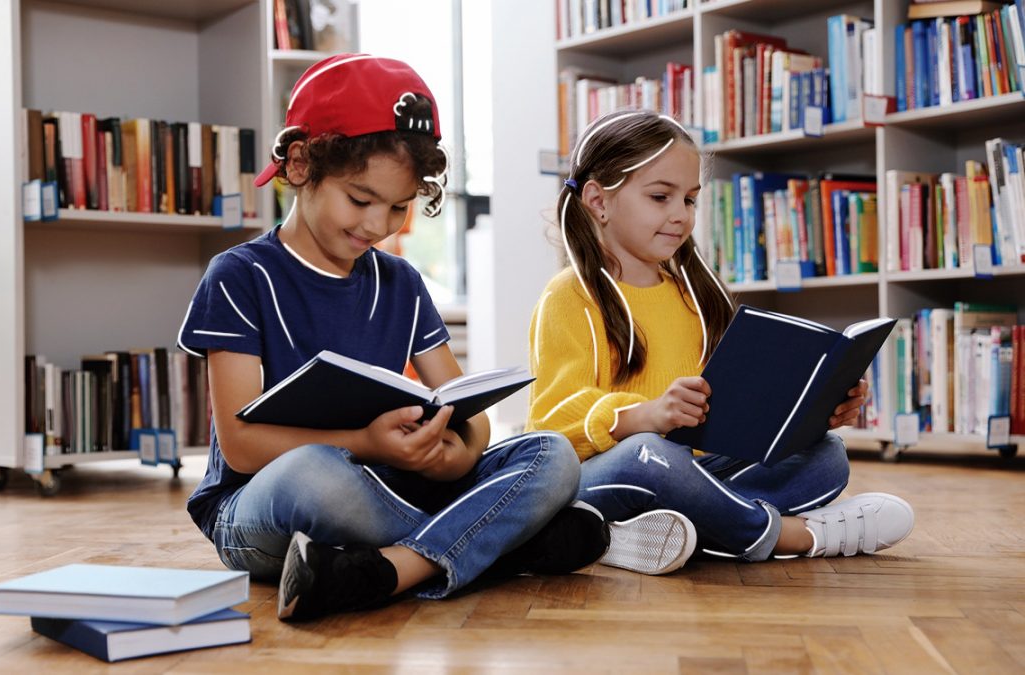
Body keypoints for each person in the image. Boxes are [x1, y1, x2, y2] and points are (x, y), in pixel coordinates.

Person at [177, 54, 610, 622]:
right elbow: (239, 446)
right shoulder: (239, 275)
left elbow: (467, 409)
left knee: (550, 452)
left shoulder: (401, 282)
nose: (378, 226)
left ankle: (390, 568)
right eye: (360, 200)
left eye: (399, 207)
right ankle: (506, 544)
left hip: (397, 485)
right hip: (263, 507)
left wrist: (458, 457)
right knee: (316, 473)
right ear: (302, 164)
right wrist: (369, 443)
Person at [526, 109, 915, 573]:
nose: (680, 215)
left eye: (689, 200)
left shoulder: (694, 297)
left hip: (692, 478)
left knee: (827, 456)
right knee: (650, 453)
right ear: (598, 201)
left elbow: (725, 414)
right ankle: (789, 535)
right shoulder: (570, 296)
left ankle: (660, 535)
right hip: (617, 474)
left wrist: (815, 410)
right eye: (660, 196)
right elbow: (550, 424)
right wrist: (645, 416)